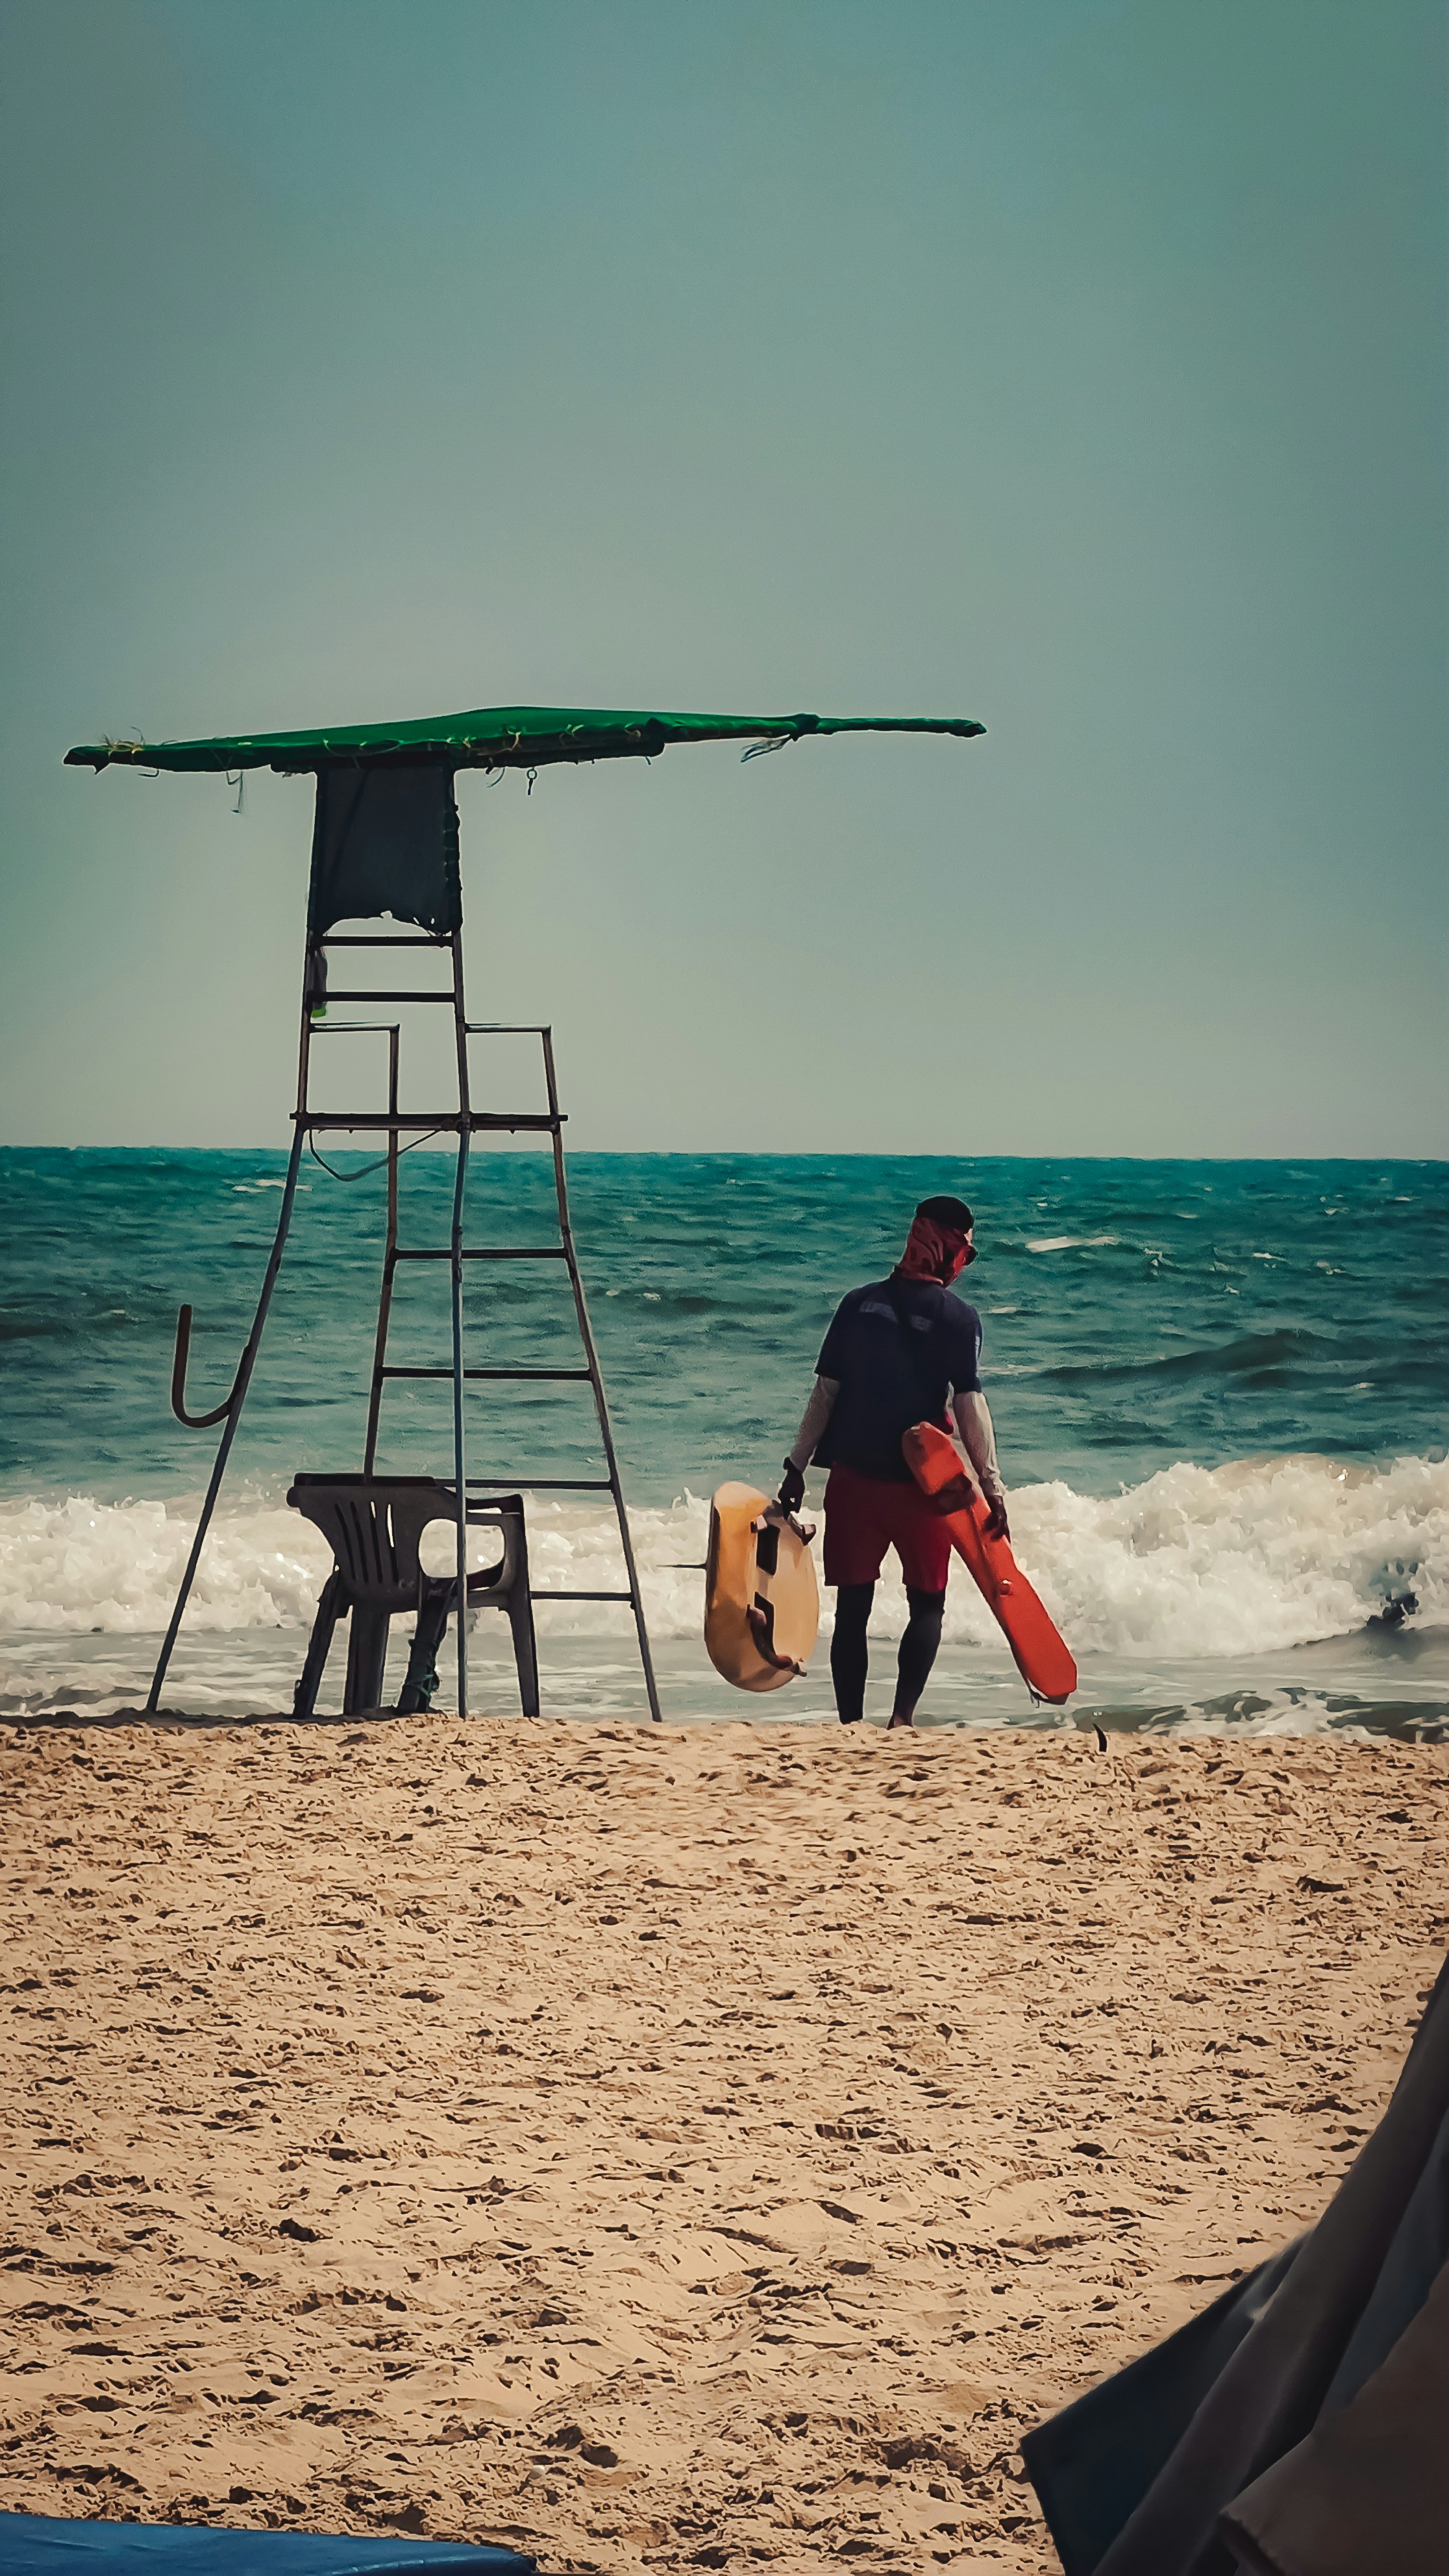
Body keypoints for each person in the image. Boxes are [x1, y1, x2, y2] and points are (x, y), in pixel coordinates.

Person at [776, 1195, 1008, 1730]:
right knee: (927, 1604)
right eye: (966, 1255)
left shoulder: (858, 1305)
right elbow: (970, 1407)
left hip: (854, 1484)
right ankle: (901, 1719)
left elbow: (824, 1396)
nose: (963, 1267)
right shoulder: (959, 1319)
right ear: (949, 1249)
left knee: (852, 1611)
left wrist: (796, 1466)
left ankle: (850, 1724)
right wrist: (992, 1487)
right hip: (922, 1492)